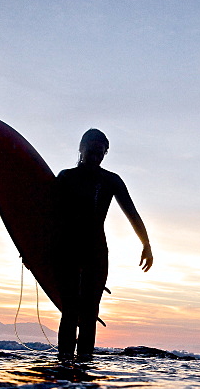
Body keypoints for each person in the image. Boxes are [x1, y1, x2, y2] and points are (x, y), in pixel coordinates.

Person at [53, 128, 153, 362]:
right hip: (67, 249)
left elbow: (131, 213)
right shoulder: (66, 177)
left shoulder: (110, 180)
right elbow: (49, 216)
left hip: (95, 250)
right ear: (81, 148)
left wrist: (146, 243)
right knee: (69, 310)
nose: (96, 157)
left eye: (101, 153)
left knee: (89, 312)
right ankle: (64, 365)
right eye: (92, 151)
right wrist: (31, 248)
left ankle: (85, 366)